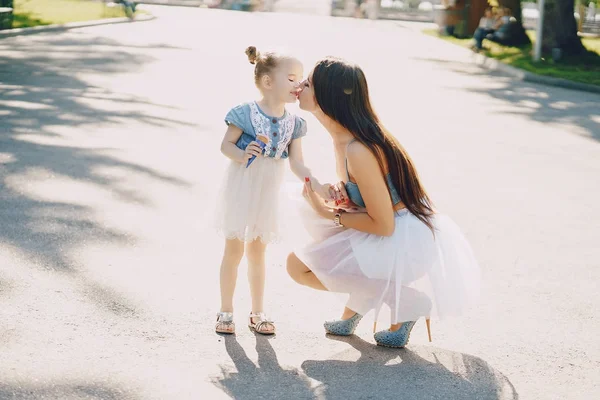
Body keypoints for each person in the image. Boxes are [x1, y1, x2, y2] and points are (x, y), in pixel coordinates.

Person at [286, 57, 481, 348]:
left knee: (299, 266)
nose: (299, 85)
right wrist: (348, 198)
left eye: (309, 83)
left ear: (330, 95)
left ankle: (410, 302)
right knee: (315, 246)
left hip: (404, 241)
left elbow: (384, 224)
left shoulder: (358, 149)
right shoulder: (345, 138)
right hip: (393, 230)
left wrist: (332, 216)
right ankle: (355, 309)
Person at [214, 47, 328, 335]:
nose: (298, 85)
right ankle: (226, 310)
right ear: (268, 82)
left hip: (268, 191)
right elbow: (225, 145)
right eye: (291, 79)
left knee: (258, 251)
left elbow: (297, 163)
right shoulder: (245, 113)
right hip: (242, 185)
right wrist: (241, 154)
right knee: (234, 249)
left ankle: (258, 312)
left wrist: (315, 182)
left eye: (300, 80)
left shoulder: (294, 123)